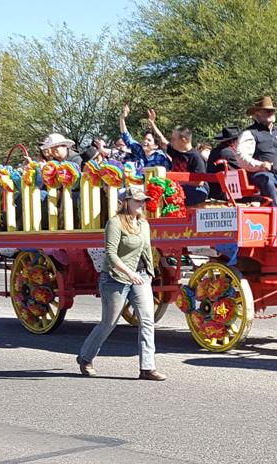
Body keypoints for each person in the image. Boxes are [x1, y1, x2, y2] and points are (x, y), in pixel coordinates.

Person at [77, 186, 167, 381]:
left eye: (143, 200)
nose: (142, 204)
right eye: (137, 200)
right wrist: (129, 272)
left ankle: (147, 367)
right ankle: (85, 357)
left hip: (140, 277)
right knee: (109, 322)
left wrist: (150, 273)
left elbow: (147, 249)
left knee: (147, 320)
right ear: (125, 202)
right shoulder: (115, 223)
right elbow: (110, 254)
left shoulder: (144, 224)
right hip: (115, 278)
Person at [146, 110, 209, 206]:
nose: (171, 141)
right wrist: (152, 124)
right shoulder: (176, 151)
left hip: (198, 190)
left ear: (184, 140)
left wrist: (176, 181)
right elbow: (163, 141)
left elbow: (199, 182)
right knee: (155, 189)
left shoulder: (196, 157)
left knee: (171, 192)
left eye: (174, 139)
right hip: (180, 186)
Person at [118, 104, 170, 173]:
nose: (145, 141)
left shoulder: (161, 157)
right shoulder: (140, 150)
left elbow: (167, 173)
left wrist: (152, 124)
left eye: (149, 140)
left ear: (156, 145)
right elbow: (126, 137)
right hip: (137, 182)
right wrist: (122, 118)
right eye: (145, 139)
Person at [207, 126, 241, 200]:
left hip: (214, 191)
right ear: (235, 141)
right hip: (226, 194)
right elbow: (242, 173)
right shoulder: (229, 153)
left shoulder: (215, 151)